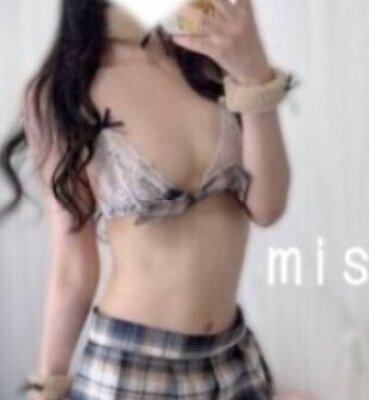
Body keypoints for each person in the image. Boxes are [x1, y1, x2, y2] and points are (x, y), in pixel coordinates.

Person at [0, 0, 293, 398]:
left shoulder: (210, 59)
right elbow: (73, 268)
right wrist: (47, 386)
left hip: (232, 360)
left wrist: (253, 72)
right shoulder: (63, 91)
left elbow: (267, 207)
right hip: (131, 367)